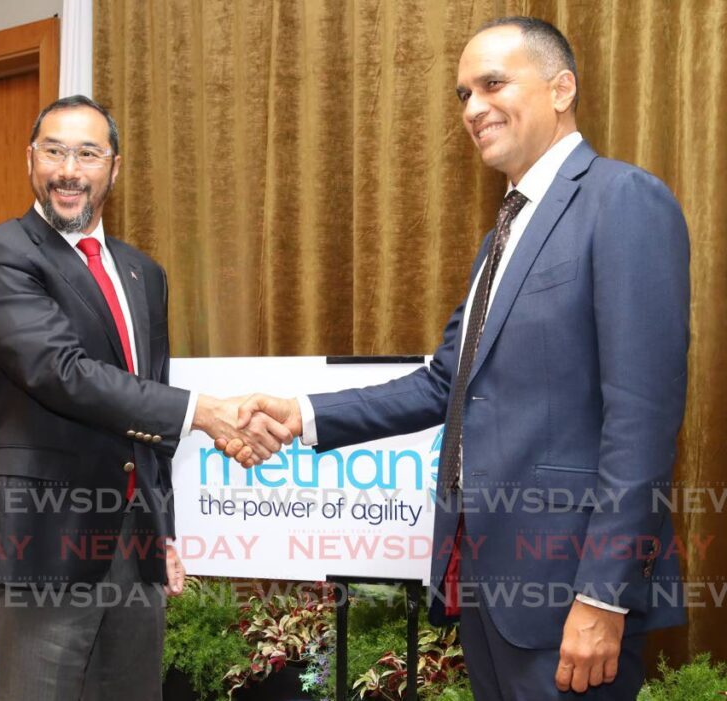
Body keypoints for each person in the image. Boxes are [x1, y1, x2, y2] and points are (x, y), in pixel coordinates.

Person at [224, 17, 690, 700]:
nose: (472, 108)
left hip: (570, 595)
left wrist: (604, 595)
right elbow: (446, 381)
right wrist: (299, 413)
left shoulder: (622, 200)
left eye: (492, 84)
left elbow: (643, 420)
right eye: (462, 94)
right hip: (486, 585)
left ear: (562, 88)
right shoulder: (505, 229)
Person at [0, 95, 287, 700]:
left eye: (87, 153)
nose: (68, 170)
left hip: (134, 548)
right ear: (31, 160)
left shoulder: (143, 273)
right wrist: (205, 412)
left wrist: (163, 530)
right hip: (43, 543)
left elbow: (146, 403)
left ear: (115, 167)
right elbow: (62, 372)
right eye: (53, 151)